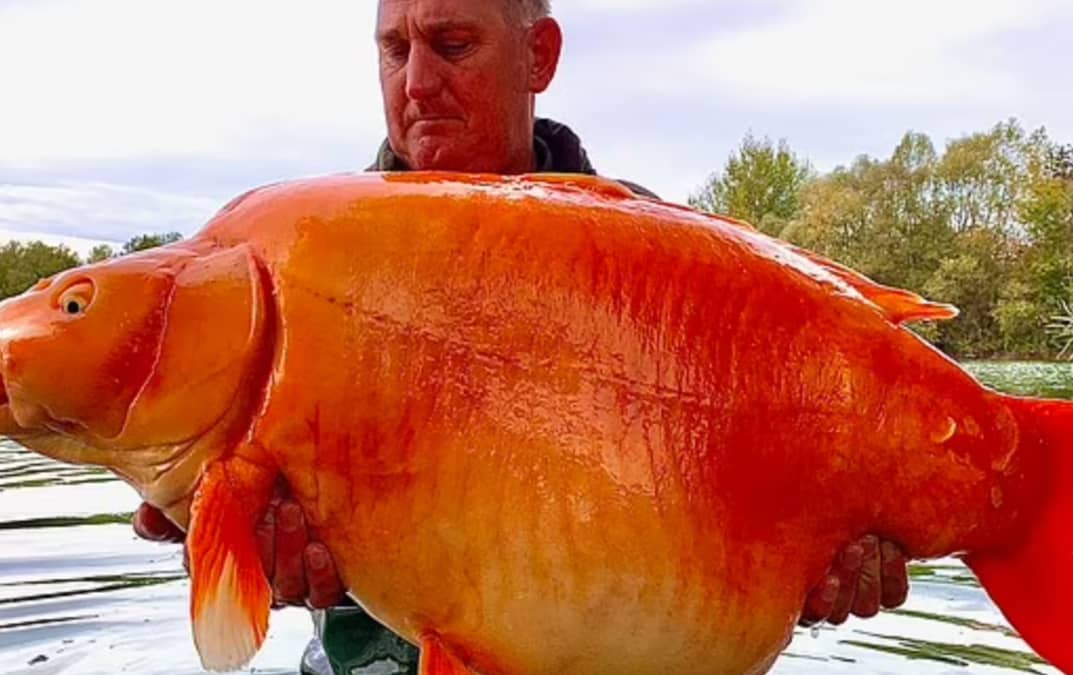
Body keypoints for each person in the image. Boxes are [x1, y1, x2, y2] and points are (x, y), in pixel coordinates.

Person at [133, 0, 912, 672]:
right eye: (394, 48)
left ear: (539, 56)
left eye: (453, 45)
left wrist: (813, 572)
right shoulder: (298, 261)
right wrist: (213, 523)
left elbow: (740, 534)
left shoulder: (674, 270)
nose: (417, 83)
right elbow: (208, 505)